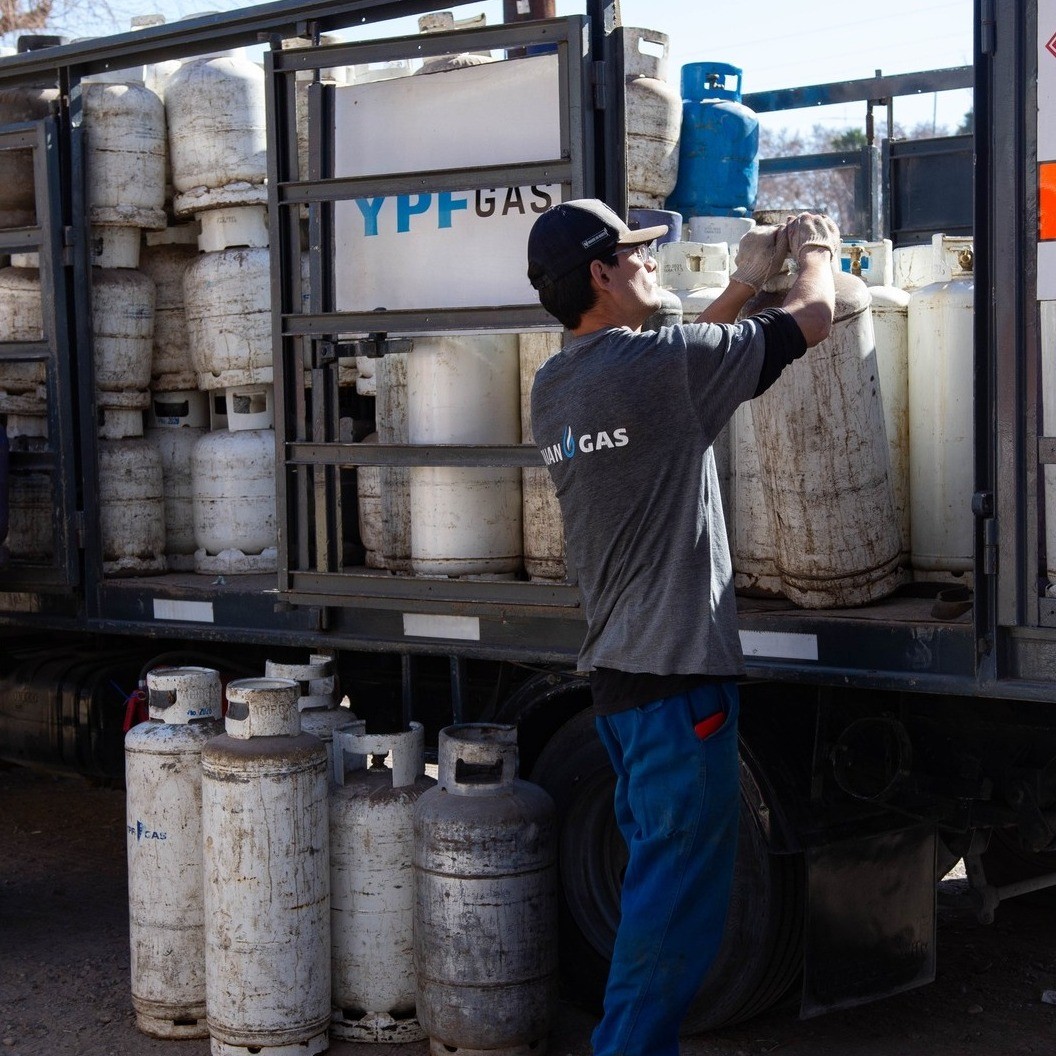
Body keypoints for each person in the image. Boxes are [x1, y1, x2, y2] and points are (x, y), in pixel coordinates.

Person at [526, 199, 839, 1056]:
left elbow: (677, 374)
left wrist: (741, 281)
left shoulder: (559, 384)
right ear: (600, 274)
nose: (652, 262)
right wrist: (817, 249)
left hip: (626, 693)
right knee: (676, 921)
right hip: (677, 691)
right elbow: (812, 318)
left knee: (658, 898)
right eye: (637, 254)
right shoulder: (657, 370)